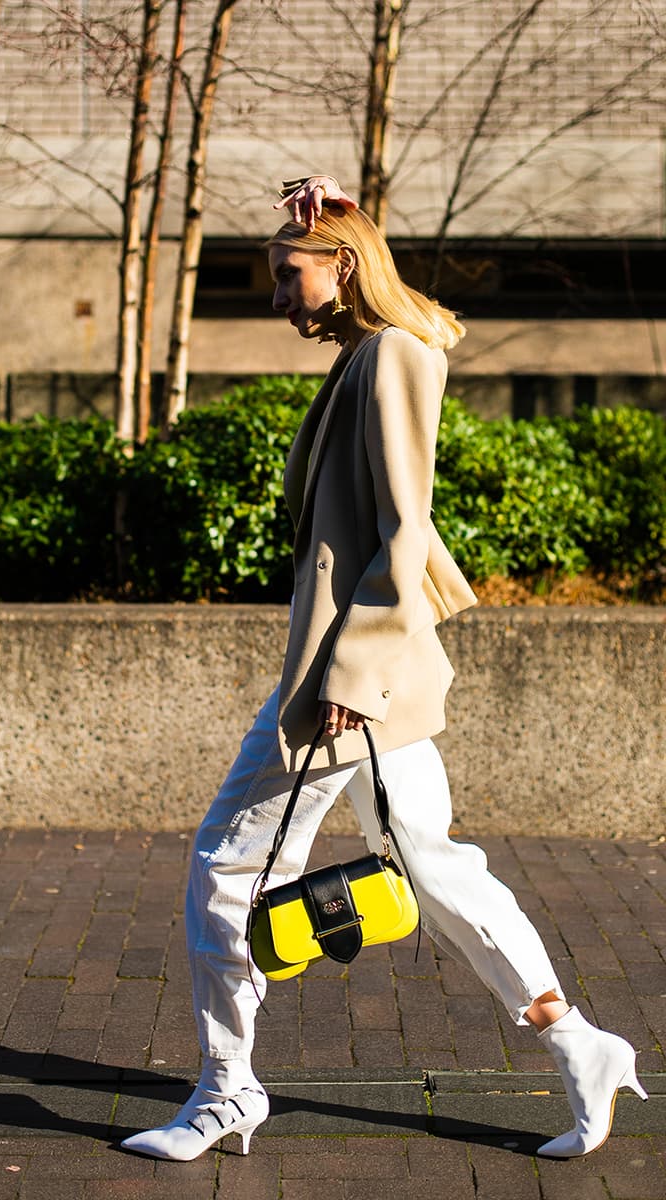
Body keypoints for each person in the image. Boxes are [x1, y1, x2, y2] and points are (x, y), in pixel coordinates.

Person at [121, 175, 647, 1163]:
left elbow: (401, 538)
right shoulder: (372, 351)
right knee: (434, 869)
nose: (278, 297)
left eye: (288, 274)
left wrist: (346, 682)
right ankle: (577, 1043)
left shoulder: (393, 356)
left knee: (226, 868)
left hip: (348, 682)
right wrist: (334, 203)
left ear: (343, 265)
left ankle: (227, 1090)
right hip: (368, 678)